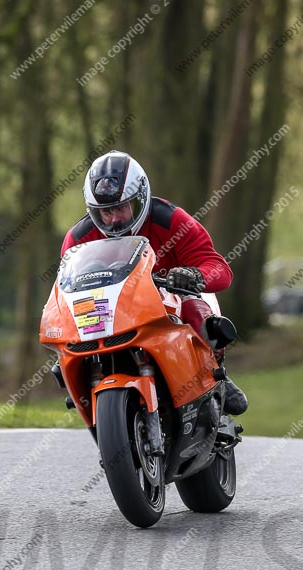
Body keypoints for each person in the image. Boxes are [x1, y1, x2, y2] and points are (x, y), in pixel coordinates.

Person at [61, 151, 248, 415]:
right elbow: (65, 285)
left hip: (169, 299)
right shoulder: (79, 238)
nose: (113, 219)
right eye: (105, 212)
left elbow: (219, 268)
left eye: (121, 208)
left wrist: (194, 276)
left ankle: (216, 376)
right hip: (109, 309)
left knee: (197, 311)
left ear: (139, 200)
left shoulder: (171, 220)